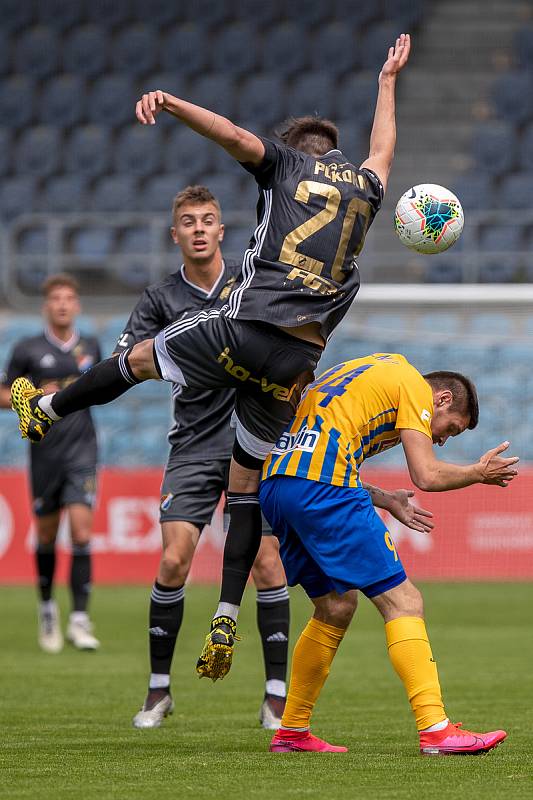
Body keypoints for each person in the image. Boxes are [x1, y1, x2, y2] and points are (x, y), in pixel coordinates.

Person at [10, 35, 411, 680]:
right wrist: (387, 81)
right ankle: (227, 612)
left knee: (144, 354)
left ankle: (48, 408)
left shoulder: (285, 167)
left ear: (292, 151)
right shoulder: (366, 188)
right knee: (246, 481)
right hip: (292, 367)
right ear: (334, 152)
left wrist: (171, 103)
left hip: (250, 330)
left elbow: (229, 133)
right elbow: (384, 147)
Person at [258, 353, 518, 755]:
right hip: (323, 489)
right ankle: (436, 730)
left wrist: (384, 499)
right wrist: (477, 473)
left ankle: (292, 731)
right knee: (404, 601)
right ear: (443, 399)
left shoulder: (368, 371)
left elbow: (328, 446)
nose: (441, 439)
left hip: (278, 485)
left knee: (336, 607)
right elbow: (427, 475)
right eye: (450, 429)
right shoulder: (413, 384)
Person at [116, 185, 290, 729]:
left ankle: (277, 695)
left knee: (265, 561)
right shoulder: (159, 299)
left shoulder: (250, 282)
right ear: (176, 234)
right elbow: (126, 361)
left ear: (221, 231)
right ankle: (159, 691)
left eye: (207, 220)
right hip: (192, 445)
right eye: (187, 221)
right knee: (174, 559)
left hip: (254, 443)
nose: (197, 228)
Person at [0, 274, 101, 652]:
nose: (62, 304)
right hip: (44, 453)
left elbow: (103, 386)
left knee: (81, 533)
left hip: (82, 450)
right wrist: (27, 398)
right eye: (56, 298)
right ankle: (47, 609)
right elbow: (4, 393)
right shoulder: (27, 349)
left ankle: (79, 619)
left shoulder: (89, 345)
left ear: (76, 305)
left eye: (68, 298)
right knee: (45, 536)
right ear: (47, 305)